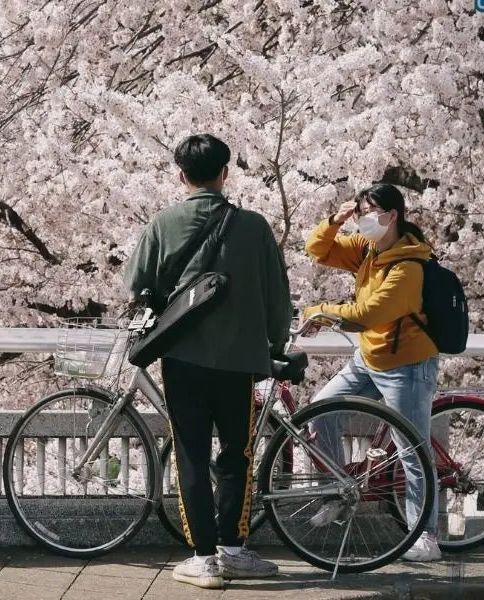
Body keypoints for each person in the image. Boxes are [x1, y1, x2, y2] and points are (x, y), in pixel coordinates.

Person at [124, 134, 293, 588]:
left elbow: (135, 284)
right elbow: (278, 299)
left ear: (181, 175)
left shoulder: (163, 223)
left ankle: (202, 557)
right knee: (237, 452)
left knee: (191, 454)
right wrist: (275, 344)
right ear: (225, 173)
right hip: (240, 360)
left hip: (183, 357)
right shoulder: (254, 227)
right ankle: (233, 550)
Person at [301, 183, 442, 562]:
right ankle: (338, 493)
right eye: (359, 212)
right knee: (320, 410)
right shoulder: (368, 249)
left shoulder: (408, 266)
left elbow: (367, 315)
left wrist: (319, 312)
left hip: (406, 366)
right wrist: (335, 220)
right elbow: (317, 250)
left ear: (392, 216)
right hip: (369, 357)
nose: (362, 220)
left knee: (412, 450)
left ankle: (426, 536)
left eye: (369, 213)